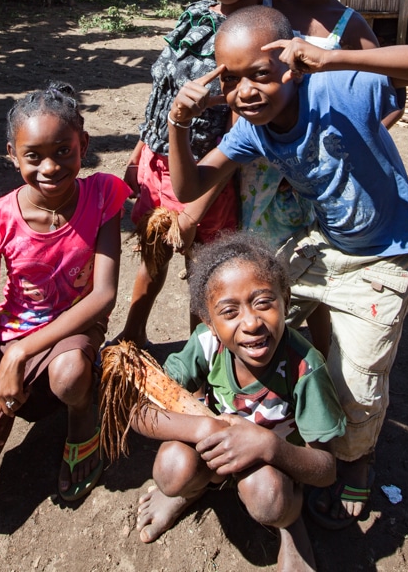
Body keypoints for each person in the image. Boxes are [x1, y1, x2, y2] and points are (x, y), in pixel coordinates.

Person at [166, 7, 408, 529]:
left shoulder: (339, 90)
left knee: (358, 379)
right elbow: (189, 189)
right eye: (231, 79)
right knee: (259, 313)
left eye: (260, 73)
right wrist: (178, 123)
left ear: (292, 66)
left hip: (386, 253)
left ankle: (356, 455)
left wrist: (335, 56)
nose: (246, 91)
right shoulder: (251, 132)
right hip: (326, 244)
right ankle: (271, 416)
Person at [0, 83, 130, 508]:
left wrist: (20, 354)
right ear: (11, 154)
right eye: (33, 155)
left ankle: (84, 423)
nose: (51, 167)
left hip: (75, 329)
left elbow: (103, 296)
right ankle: (23, 397)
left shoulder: (103, 195)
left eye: (64, 150)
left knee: (70, 373)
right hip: (13, 338)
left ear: (84, 145)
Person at [242, 0, 403, 354]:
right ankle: (248, 371)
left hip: (313, 183)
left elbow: (392, 98)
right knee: (255, 266)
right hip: (255, 170)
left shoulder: (347, 26)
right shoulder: (259, 1)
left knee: (312, 274)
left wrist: (340, 154)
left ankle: (316, 366)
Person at [133, 234, 346, 572]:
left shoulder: (305, 366)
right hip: (211, 448)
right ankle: (191, 490)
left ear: (285, 300)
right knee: (172, 469)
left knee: (269, 498)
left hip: (271, 468)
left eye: (263, 302)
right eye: (229, 312)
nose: (250, 323)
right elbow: (139, 411)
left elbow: (325, 469)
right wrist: (206, 426)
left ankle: (291, 524)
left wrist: (269, 447)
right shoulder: (206, 345)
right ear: (209, 322)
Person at [121, 0, 272, 347]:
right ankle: (132, 334)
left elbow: (239, 134)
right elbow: (163, 92)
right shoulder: (197, 16)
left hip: (209, 180)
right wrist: (139, 151)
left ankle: (202, 363)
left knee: (204, 273)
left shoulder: (259, 37)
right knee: (152, 257)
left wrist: (193, 210)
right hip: (158, 158)